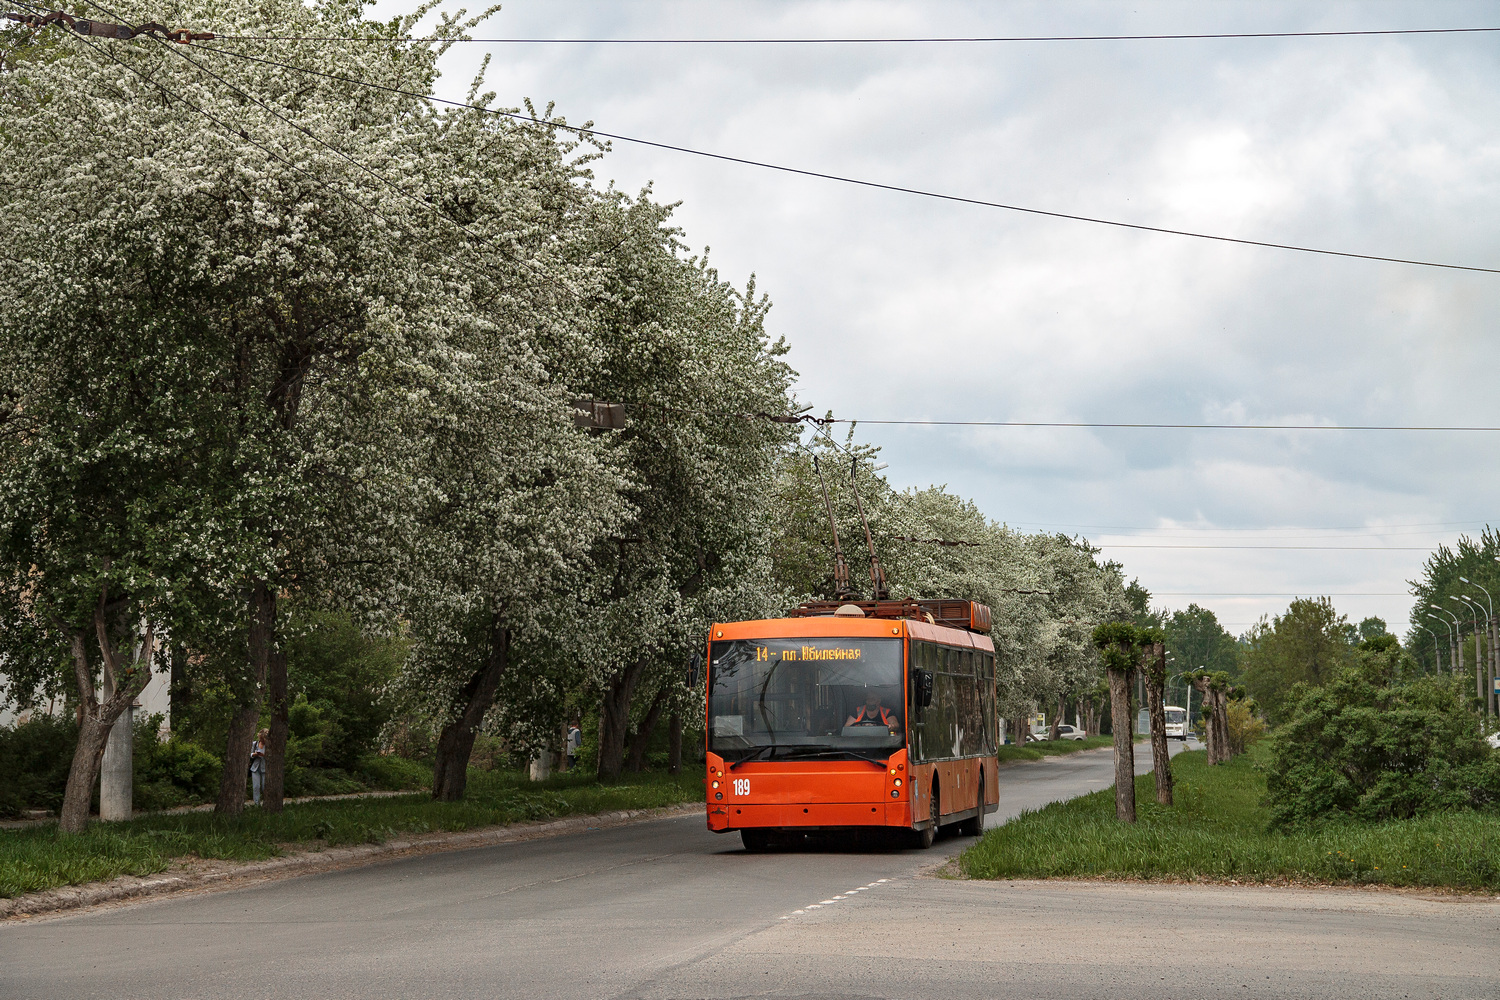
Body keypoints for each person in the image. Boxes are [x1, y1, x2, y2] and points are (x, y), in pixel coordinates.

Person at [249, 728, 268, 806]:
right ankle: (257, 804)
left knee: (264, 787)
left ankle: (266, 803)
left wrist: (264, 755)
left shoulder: (269, 745)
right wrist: (255, 754)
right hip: (255, 768)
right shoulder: (254, 744)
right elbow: (249, 754)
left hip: (265, 768)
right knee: (256, 787)